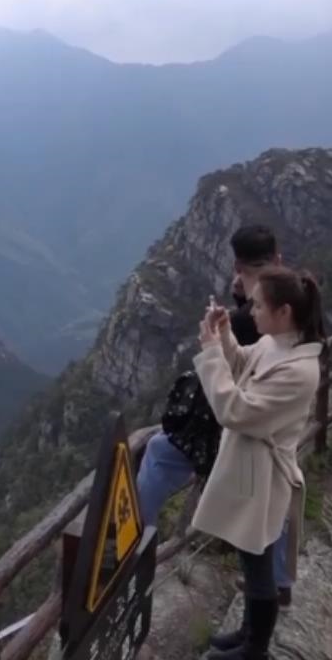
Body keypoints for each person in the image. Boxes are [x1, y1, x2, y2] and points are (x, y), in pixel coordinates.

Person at [136, 226, 296, 605]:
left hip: (226, 425)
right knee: (274, 494)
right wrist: (241, 301)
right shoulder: (292, 300)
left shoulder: (247, 320)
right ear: (277, 258)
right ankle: (279, 582)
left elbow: (227, 365)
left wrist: (215, 335)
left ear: (237, 265)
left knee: (158, 453)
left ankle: (135, 551)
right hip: (275, 421)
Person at [194, 266, 326, 660]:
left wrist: (210, 352)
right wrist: (223, 336)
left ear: (283, 312)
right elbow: (242, 365)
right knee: (250, 554)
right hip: (249, 466)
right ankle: (247, 632)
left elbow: (235, 410)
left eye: (257, 306)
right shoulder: (276, 344)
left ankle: (255, 649)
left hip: (264, 475)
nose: (250, 311)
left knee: (257, 563)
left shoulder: (299, 371)